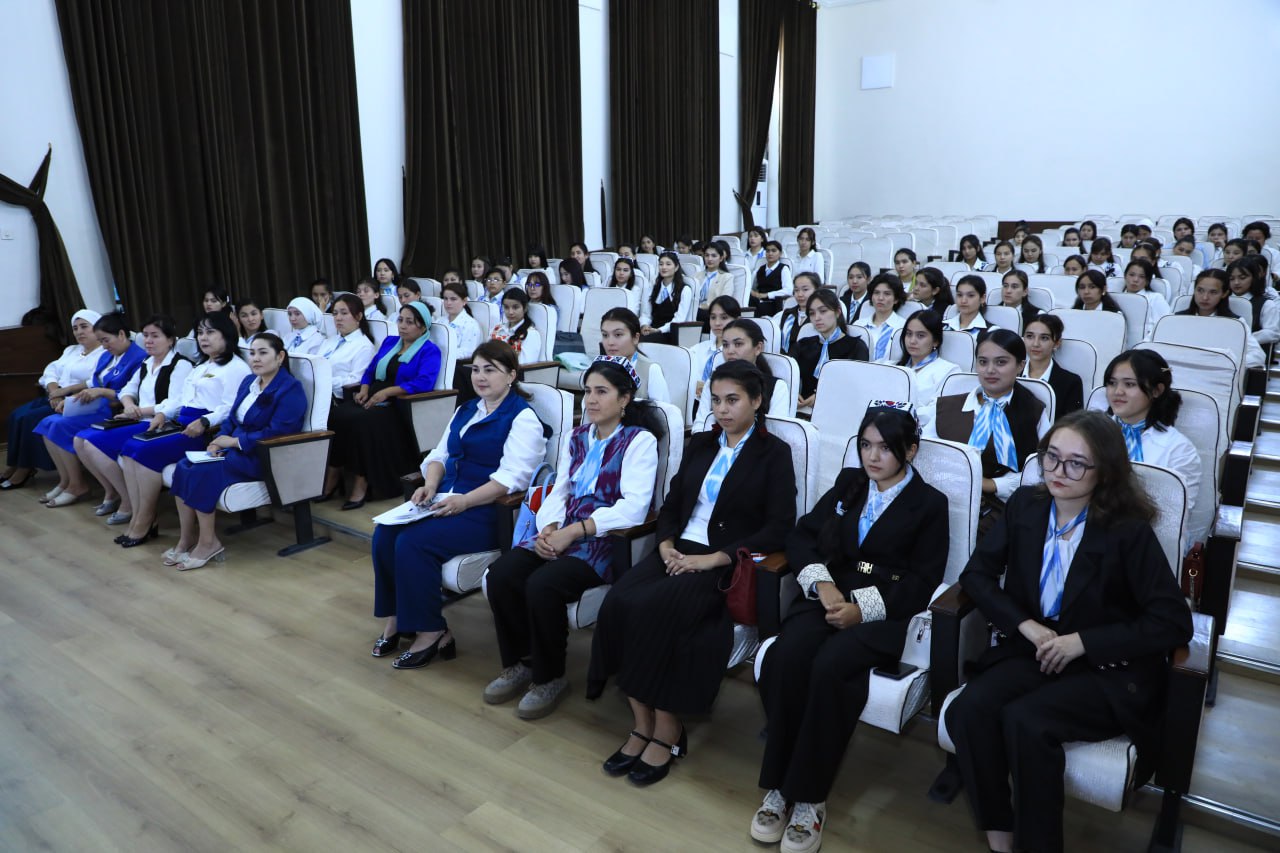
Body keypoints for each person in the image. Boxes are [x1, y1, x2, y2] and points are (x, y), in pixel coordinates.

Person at [945, 410, 1193, 853]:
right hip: (1038, 648)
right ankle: (1001, 836)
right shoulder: (1026, 506)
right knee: (968, 710)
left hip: (1105, 667)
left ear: (1105, 471)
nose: (1059, 471)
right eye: (1052, 457)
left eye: (1077, 463)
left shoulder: (1127, 532)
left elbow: (1173, 620)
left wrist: (1082, 643)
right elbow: (977, 575)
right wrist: (1025, 625)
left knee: (1026, 722)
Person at [587, 360, 797, 785]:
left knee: (657, 610)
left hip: (720, 561)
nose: (722, 409)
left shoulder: (774, 453)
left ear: (757, 401)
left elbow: (779, 526)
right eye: (716, 400)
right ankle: (641, 721)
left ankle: (667, 727)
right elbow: (672, 503)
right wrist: (665, 543)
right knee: (619, 602)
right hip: (676, 549)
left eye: (733, 400)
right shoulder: (702, 443)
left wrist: (714, 559)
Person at [753, 403, 948, 853]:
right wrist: (821, 584)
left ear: (910, 451)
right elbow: (803, 536)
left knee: (830, 668)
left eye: (885, 447)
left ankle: (809, 797)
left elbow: (923, 582)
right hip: (828, 597)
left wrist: (862, 609)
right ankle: (779, 786)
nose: (872, 456)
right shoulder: (850, 483)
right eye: (865, 445)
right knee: (785, 656)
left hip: (882, 614)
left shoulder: (929, 504)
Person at [483, 357, 662, 718]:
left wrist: (576, 531)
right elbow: (560, 491)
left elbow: (634, 508)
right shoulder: (577, 437)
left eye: (602, 392)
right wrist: (549, 526)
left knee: (542, 585)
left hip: (604, 541)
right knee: (502, 574)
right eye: (587, 391)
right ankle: (521, 662)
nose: (591, 400)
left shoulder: (638, 441)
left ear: (624, 398)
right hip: (562, 530)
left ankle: (549, 677)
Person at [369, 341, 546, 669]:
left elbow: (511, 480)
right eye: (476, 370)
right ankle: (398, 620)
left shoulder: (522, 418)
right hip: (446, 498)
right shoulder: (466, 409)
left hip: (487, 510)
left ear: (511, 375)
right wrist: (430, 484)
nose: (480, 377)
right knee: (385, 534)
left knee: (413, 542)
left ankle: (432, 630)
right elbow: (439, 455)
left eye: (490, 370)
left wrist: (465, 501)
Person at [167, 333, 307, 570]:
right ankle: (186, 538)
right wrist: (215, 443)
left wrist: (232, 442)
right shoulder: (249, 382)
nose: (256, 358)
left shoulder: (290, 389)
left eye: (263, 353)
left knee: (202, 472)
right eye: (252, 353)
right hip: (236, 450)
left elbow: (277, 432)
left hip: (263, 455)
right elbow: (232, 419)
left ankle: (208, 543)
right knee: (184, 466)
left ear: (280, 357)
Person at [116, 312, 252, 550]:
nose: (203, 338)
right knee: (130, 446)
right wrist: (162, 413)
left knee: (144, 451)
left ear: (227, 335)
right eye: (200, 333)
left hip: (204, 432)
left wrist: (205, 421)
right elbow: (181, 400)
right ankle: (140, 516)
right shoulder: (201, 366)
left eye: (210, 332)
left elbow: (231, 407)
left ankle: (145, 520)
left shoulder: (236, 368)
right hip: (181, 423)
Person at [925, 329, 1051, 531]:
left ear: (1020, 365)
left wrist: (991, 485)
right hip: (945, 500)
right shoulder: (948, 407)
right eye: (983, 362)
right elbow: (926, 455)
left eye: (1001, 362)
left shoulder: (1032, 411)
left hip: (1002, 509)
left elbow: (1043, 470)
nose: (990, 370)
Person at [75, 314, 193, 526]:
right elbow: (127, 390)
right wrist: (129, 405)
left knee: (93, 444)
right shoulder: (147, 363)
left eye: (155, 336)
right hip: (139, 419)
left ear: (170, 340)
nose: (148, 341)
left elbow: (176, 403)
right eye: (146, 335)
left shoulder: (181, 365)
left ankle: (129, 502)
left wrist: (138, 410)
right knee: (81, 439)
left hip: (160, 422)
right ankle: (124, 496)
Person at [327, 302, 441, 509]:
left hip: (399, 404)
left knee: (362, 421)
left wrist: (388, 392)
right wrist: (364, 388)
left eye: (409, 322)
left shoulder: (429, 350)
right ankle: (334, 474)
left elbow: (424, 382)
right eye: (400, 320)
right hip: (374, 395)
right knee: (337, 416)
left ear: (423, 326)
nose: (402, 326)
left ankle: (361, 483)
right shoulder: (390, 342)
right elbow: (371, 370)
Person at [34, 313, 147, 508]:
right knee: (47, 423)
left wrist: (98, 392)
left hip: (111, 409)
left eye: (106, 340)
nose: (104, 346)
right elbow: (93, 382)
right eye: (101, 341)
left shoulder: (137, 358)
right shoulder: (108, 355)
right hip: (94, 404)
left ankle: (78, 485)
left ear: (121, 334)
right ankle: (67, 481)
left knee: (59, 426)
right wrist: (72, 398)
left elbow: (132, 394)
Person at [1094, 350, 1202, 544]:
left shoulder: (1179, 449)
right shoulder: (1090, 433)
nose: (1117, 392)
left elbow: (1171, 520)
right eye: (1112, 383)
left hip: (1145, 542)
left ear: (1156, 390)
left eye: (1129, 384)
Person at [2, 309, 103, 491]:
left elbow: (96, 381)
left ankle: (26, 467)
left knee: (29, 419)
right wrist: (54, 390)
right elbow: (51, 371)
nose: (79, 332)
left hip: (75, 399)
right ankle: (14, 464)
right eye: (75, 328)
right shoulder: (72, 350)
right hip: (54, 394)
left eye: (84, 327)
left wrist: (64, 393)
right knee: (16, 415)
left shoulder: (104, 353)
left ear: (98, 328)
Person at [696, 317, 791, 419]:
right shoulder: (713, 382)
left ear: (758, 348)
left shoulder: (777, 387)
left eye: (738, 344)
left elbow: (775, 428)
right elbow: (700, 425)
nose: (730, 351)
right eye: (725, 345)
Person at [794, 290, 868, 408]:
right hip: (803, 409)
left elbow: (858, 388)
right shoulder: (803, 345)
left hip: (839, 409)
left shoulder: (856, 346)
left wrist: (824, 396)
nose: (817, 318)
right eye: (812, 313)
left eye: (823, 311)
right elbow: (788, 374)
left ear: (838, 312)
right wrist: (792, 393)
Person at [1179, 269, 1266, 368]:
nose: (1205, 297)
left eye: (1213, 292)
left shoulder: (1235, 323)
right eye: (1200, 290)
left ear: (1224, 294)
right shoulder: (1177, 319)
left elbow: (1258, 356)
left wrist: (1224, 362)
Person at [897, 310, 959, 419]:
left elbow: (936, 411)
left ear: (936, 341)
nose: (912, 341)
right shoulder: (894, 367)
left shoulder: (949, 371)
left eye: (920, 336)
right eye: (909, 334)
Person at [598, 308, 670, 403]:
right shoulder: (598, 369)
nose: (610, 342)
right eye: (605, 335)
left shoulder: (650, 370)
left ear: (636, 338)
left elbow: (662, 410)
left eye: (618, 335)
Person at [1022, 315, 1084, 415]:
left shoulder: (1070, 382)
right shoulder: (1012, 374)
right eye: (1030, 336)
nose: (1035, 344)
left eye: (1044, 338)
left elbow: (1073, 423)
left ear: (1057, 343)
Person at [319, 294, 377, 398]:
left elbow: (356, 381)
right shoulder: (330, 341)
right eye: (335, 313)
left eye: (344, 313)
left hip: (335, 398)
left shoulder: (364, 347)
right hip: (318, 391)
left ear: (359, 316)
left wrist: (325, 382)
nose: (338, 318)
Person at [690, 296, 741, 402]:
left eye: (724, 317)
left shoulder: (737, 354)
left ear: (737, 320)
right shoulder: (697, 349)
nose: (717, 323)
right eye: (713, 317)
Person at [854, 273, 907, 362]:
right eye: (876, 293)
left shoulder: (903, 326)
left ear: (896, 299)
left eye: (887, 294)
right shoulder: (858, 325)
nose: (880, 298)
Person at [1227, 256, 1280, 345]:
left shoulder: (1266, 304)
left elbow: (1273, 333)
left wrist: (1245, 339)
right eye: (1231, 279)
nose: (1236, 282)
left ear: (1254, 278)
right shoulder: (1223, 300)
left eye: (1242, 278)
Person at [639, 251, 690, 342]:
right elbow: (646, 314)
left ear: (676, 267)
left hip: (669, 332)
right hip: (652, 329)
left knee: (642, 341)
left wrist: (659, 330)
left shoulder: (685, 290)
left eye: (668, 264)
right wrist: (644, 325)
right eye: (661, 264)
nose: (664, 267)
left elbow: (679, 319)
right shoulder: (653, 287)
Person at [491, 286, 544, 365]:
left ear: (525, 308)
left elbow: (524, 364)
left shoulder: (530, 334)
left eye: (515, 307)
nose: (510, 312)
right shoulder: (497, 329)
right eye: (506, 307)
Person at [1121, 259, 1171, 339]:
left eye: (1141, 277)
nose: (1135, 280)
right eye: (1132, 275)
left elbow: (1166, 324)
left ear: (1147, 281)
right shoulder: (1116, 298)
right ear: (1125, 276)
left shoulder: (1155, 298)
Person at [440, 280, 482, 360]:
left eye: (453, 299)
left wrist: (441, 355)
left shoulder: (471, 324)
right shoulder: (439, 321)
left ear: (464, 301)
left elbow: (468, 352)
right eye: (445, 299)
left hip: (456, 364)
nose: (448, 303)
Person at [777, 272, 818, 354]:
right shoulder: (787, 314)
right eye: (796, 290)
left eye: (805, 289)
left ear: (816, 291)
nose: (800, 294)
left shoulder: (820, 316)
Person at [751, 241, 793, 316]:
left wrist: (767, 295)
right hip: (758, 302)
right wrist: (753, 293)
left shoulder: (783, 269)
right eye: (768, 251)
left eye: (773, 251)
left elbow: (788, 290)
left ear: (780, 253)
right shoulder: (759, 269)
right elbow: (750, 286)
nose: (770, 253)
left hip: (774, 303)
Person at [697, 240, 734, 318]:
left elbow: (724, 302)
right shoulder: (697, 276)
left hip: (713, 313)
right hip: (695, 311)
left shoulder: (727, 277)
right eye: (707, 255)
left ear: (721, 258)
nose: (709, 259)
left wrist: (700, 306)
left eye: (714, 256)